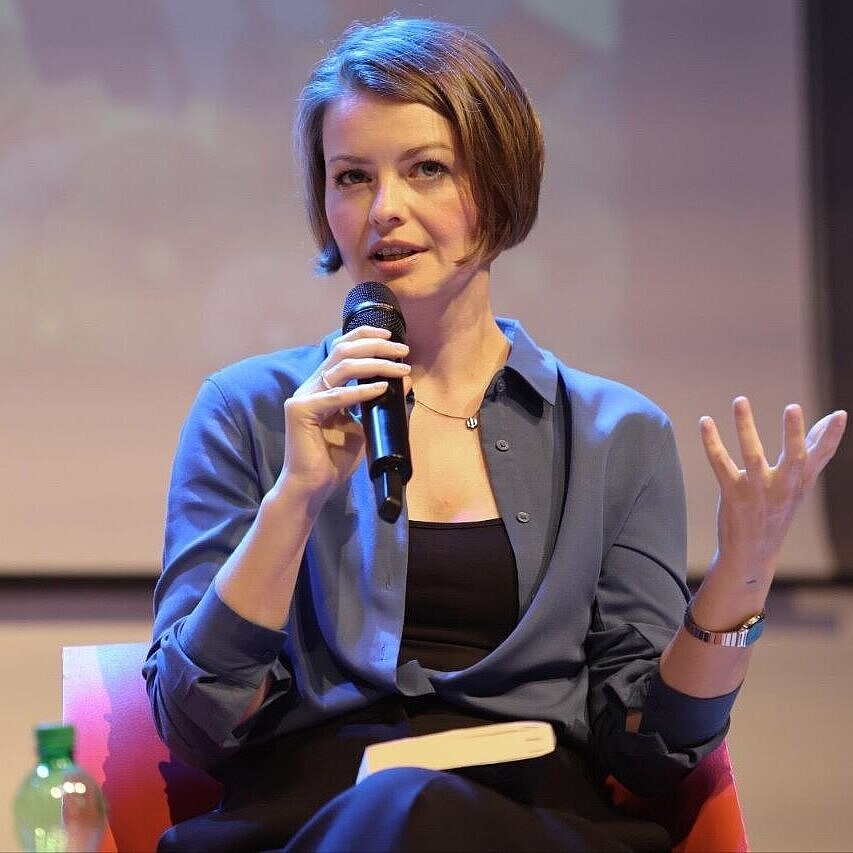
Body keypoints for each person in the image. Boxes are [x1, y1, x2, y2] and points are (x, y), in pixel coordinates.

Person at [143, 16, 847, 852]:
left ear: (501, 178)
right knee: (401, 809)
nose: (384, 210)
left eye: (426, 169)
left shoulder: (615, 434)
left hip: (535, 822)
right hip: (311, 821)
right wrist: (294, 499)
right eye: (352, 177)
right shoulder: (250, 410)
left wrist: (745, 570)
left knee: (427, 812)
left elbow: (652, 748)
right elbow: (193, 720)